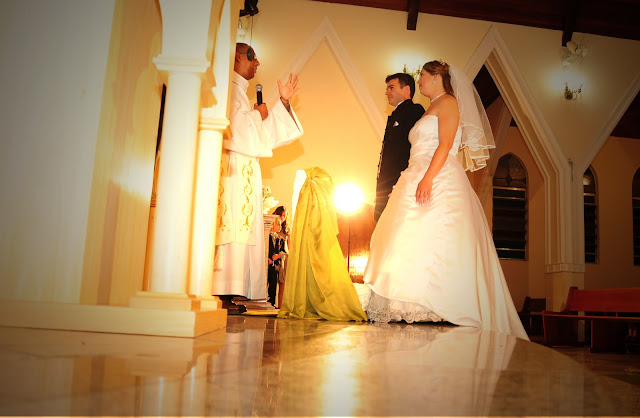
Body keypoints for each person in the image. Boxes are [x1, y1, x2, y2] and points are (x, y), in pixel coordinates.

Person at [361, 60, 529, 340]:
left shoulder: (449, 102)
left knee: (434, 236)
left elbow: (446, 143)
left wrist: (428, 178)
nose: (420, 81)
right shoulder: (430, 107)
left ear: (436, 77)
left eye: (423, 76)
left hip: (436, 174)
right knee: (406, 237)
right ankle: (411, 303)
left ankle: (439, 304)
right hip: (414, 173)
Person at [213, 43, 304, 305]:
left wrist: (282, 103)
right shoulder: (227, 89)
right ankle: (221, 290)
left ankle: (231, 291)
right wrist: (256, 114)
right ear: (237, 57)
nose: (257, 63)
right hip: (231, 171)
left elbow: (262, 135)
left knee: (242, 230)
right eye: (252, 57)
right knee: (231, 228)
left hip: (245, 169)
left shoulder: (240, 92)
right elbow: (234, 130)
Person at [278, 167, 367, 322]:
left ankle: (313, 302)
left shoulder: (312, 213)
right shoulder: (317, 213)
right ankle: (313, 302)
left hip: (313, 240)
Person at [375, 73, 425, 221]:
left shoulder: (414, 111)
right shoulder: (396, 114)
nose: (387, 92)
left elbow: (411, 151)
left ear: (406, 89)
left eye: (391, 87)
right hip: (386, 185)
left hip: (398, 185)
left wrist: (399, 185)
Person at [267, 217, 286, 307]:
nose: (280, 227)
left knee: (273, 284)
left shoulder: (280, 239)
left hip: (275, 266)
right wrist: (267, 259)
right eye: (278, 224)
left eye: (280, 225)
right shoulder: (267, 237)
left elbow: (284, 251)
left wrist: (278, 256)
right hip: (267, 264)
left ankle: (272, 302)